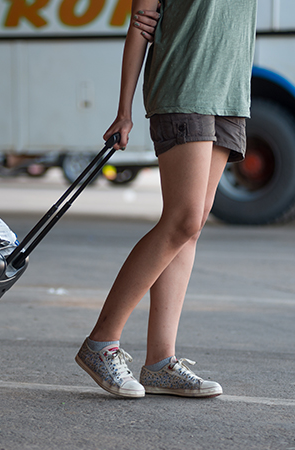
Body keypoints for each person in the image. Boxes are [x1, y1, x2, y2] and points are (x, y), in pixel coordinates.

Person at [75, 0, 258, 398]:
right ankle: (101, 342)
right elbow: (141, 24)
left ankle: (160, 362)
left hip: (228, 95)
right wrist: (123, 111)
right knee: (183, 219)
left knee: (191, 228)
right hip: (183, 87)